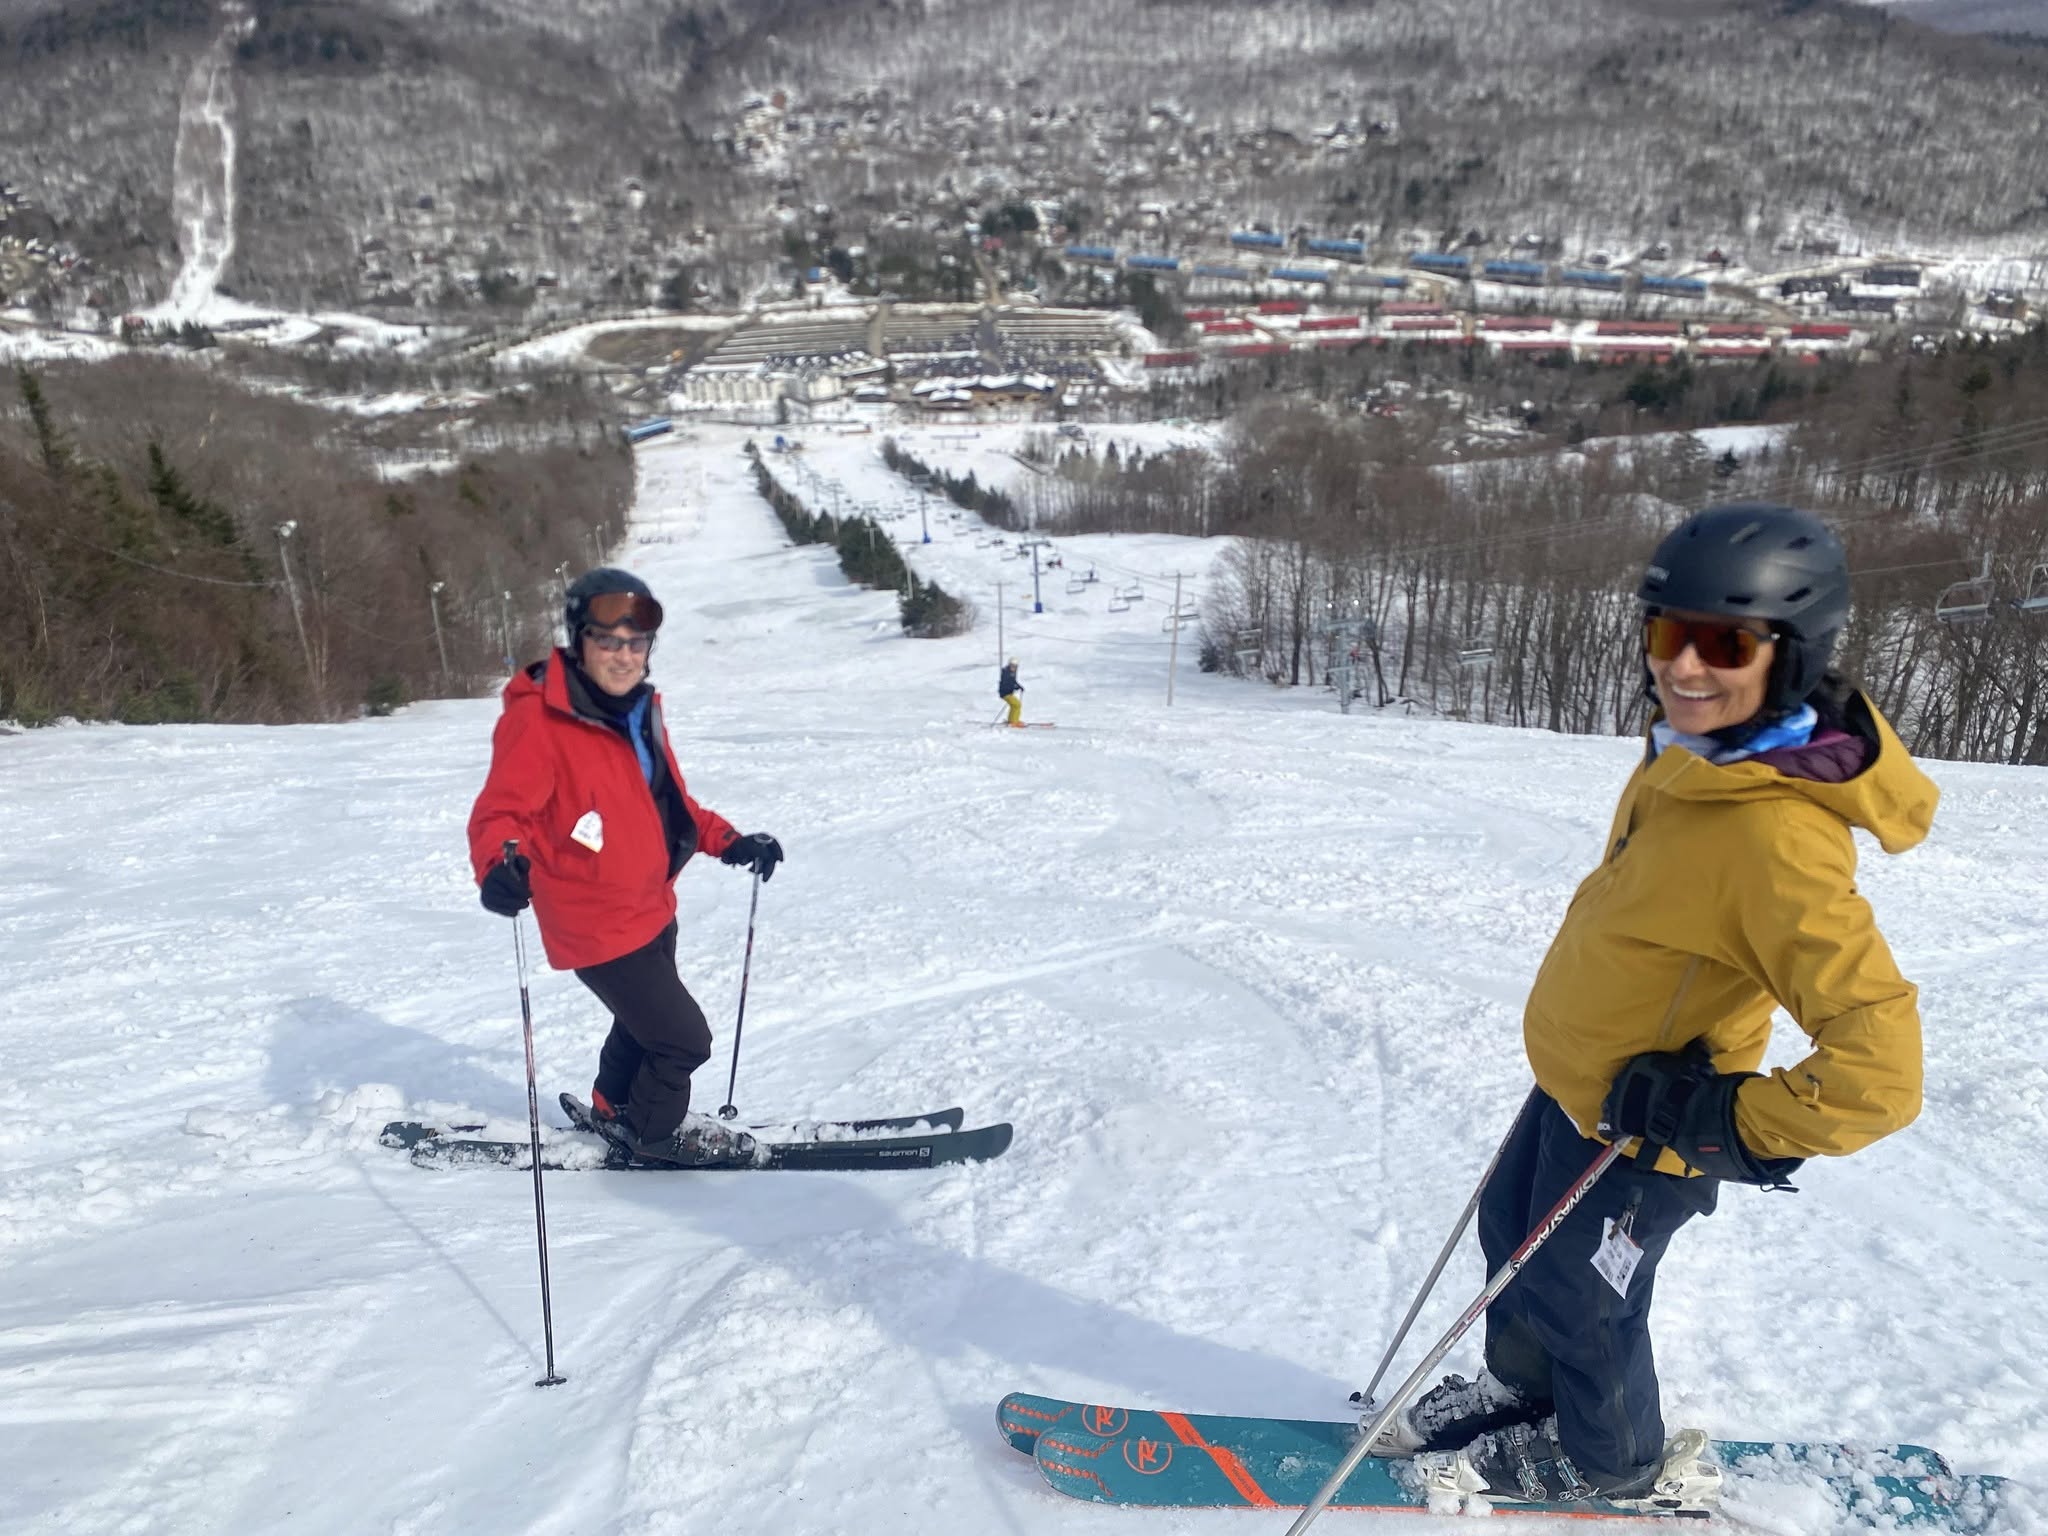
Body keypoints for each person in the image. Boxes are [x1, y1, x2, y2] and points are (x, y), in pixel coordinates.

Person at [1377, 503, 1937, 1507]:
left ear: (1791, 653)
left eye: (1722, 642)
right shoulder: (1692, 753)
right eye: (1666, 635)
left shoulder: (1774, 837)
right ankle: (1519, 1394)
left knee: (1585, 1304)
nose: (1684, 667)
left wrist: (1716, 1121)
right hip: (1576, 1089)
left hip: (1641, 1131)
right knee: (1515, 1250)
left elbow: (1878, 1072)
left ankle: (1610, 1464)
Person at [467, 568, 786, 1164]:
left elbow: (670, 803)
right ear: (578, 639)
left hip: (651, 909)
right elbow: (500, 811)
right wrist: (497, 865)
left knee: (642, 1024)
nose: (622, 655)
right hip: (594, 922)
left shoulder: (639, 711)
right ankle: (651, 1134)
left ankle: (614, 1106)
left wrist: (732, 841)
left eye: (635, 643)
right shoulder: (540, 718)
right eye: (607, 641)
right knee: (684, 1041)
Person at [998, 656, 1024, 727]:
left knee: (1014, 705)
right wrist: (1014, 687)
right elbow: (1006, 683)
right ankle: (1013, 721)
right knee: (1017, 704)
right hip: (1005, 693)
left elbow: (1013, 681)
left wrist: (1019, 686)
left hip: (1009, 693)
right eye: (1012, 666)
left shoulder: (1012, 672)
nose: (1014, 668)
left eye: (1015, 666)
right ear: (1009, 665)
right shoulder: (1006, 672)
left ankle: (1012, 720)